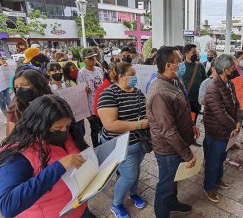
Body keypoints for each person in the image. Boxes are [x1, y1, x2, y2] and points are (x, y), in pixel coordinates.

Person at [0, 95, 92, 218]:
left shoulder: (68, 134)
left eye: (67, 125)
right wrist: (59, 166)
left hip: (79, 208)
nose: (64, 131)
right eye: (58, 128)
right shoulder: (17, 156)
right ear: (38, 125)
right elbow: (8, 206)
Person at [146, 46, 199, 218]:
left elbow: (182, 107)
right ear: (169, 66)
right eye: (179, 62)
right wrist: (187, 154)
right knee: (166, 184)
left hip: (176, 145)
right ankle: (162, 212)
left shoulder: (174, 81)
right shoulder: (160, 92)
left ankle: (173, 203)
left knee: (173, 180)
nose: (182, 64)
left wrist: (191, 124)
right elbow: (168, 131)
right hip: (168, 148)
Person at [97, 62, 147, 218]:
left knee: (136, 170)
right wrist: (139, 124)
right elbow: (110, 125)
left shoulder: (137, 92)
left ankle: (133, 194)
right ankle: (116, 204)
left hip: (139, 143)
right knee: (129, 176)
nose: (134, 77)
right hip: (121, 144)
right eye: (131, 74)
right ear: (121, 76)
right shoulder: (108, 94)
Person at [202, 54, 242, 202]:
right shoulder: (213, 88)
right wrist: (234, 125)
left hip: (227, 130)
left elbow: (237, 104)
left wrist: (238, 121)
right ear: (225, 69)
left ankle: (217, 180)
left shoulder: (229, 83)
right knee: (213, 161)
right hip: (216, 131)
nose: (234, 69)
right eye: (232, 67)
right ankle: (209, 187)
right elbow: (220, 114)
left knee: (221, 159)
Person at [7, 69, 52, 136]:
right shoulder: (14, 110)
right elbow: (11, 136)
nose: (19, 89)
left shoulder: (52, 104)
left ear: (37, 85)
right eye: (16, 87)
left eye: (24, 85)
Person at [77, 47, 104, 147]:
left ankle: (105, 145)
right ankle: (97, 148)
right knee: (95, 129)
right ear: (83, 60)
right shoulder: (81, 73)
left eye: (93, 57)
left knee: (104, 127)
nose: (92, 60)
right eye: (89, 58)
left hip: (102, 104)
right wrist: (87, 113)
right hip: (92, 108)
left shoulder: (99, 70)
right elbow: (80, 93)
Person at [182, 44, 207, 123]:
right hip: (184, 101)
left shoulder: (200, 66)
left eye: (196, 52)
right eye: (193, 52)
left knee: (192, 122)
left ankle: (191, 133)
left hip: (195, 101)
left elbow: (205, 82)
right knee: (184, 122)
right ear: (186, 53)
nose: (195, 54)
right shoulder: (180, 67)